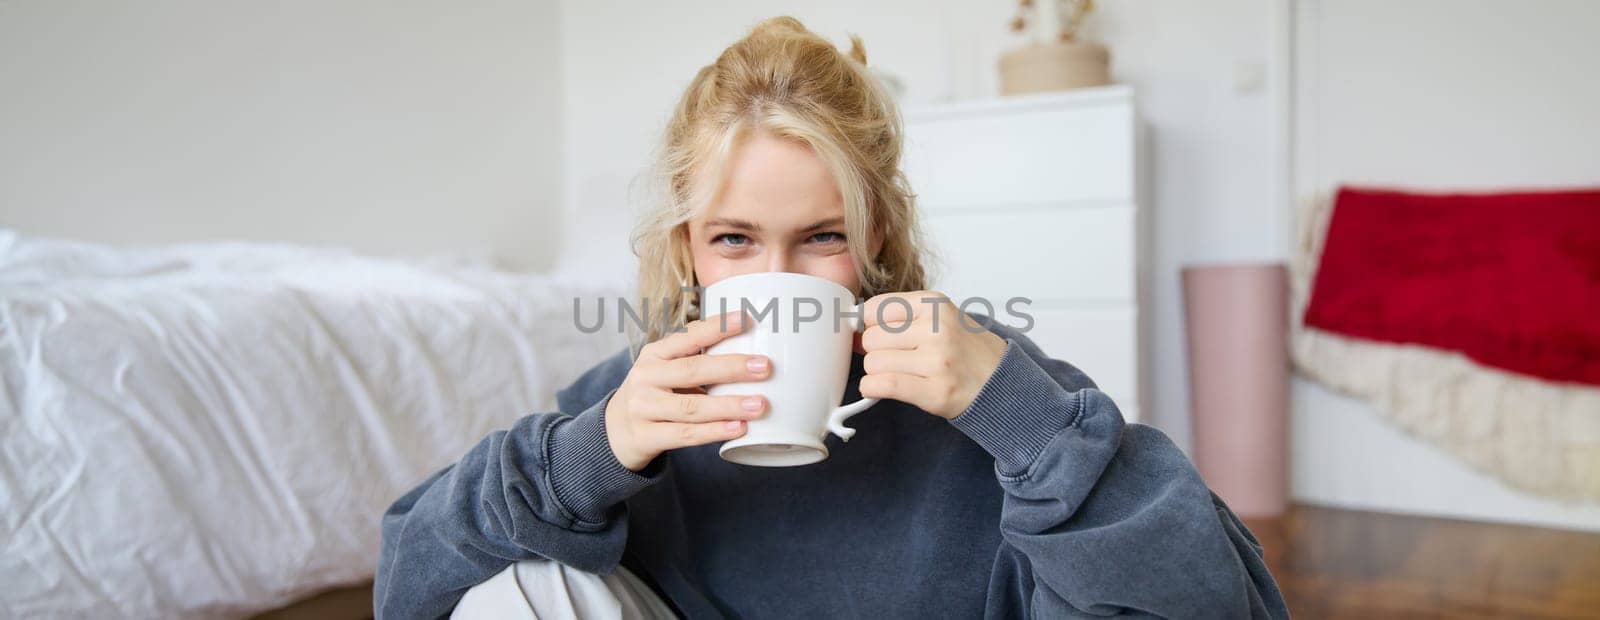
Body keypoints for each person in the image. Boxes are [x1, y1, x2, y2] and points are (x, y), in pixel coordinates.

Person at [374, 16, 1287, 619]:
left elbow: (1223, 602)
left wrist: (1023, 418)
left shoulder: (984, 380)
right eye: (734, 239)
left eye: (821, 237)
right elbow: (406, 585)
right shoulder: (637, 400)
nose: (777, 278)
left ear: (875, 233)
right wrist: (587, 456)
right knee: (523, 591)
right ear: (686, 244)